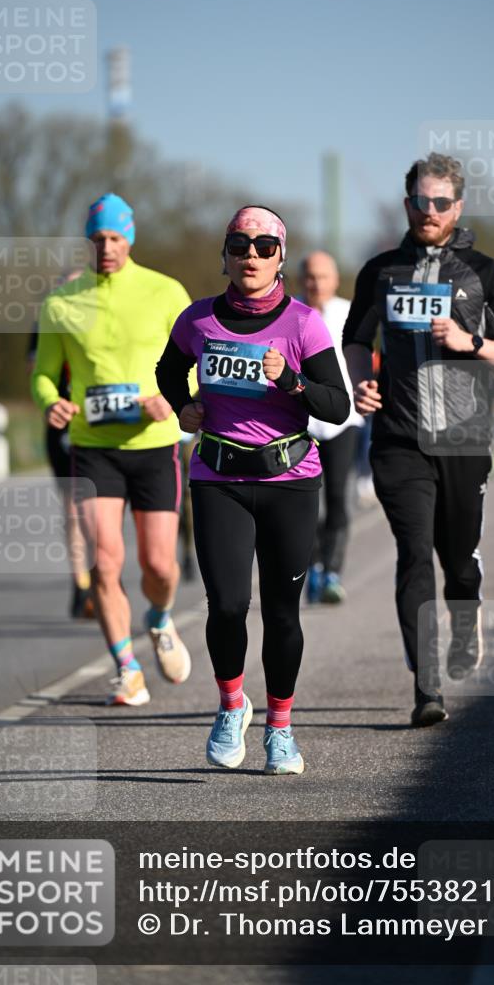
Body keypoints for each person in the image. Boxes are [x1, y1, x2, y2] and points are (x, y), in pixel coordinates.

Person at [343, 153, 494, 727]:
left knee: (459, 564)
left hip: (464, 439)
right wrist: (360, 384)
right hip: (398, 439)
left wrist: (471, 343)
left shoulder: (485, 272)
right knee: (412, 555)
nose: (430, 211)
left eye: (441, 202)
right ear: (407, 205)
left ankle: (466, 614)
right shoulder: (380, 271)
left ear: (458, 206)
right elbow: (355, 340)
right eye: (420, 202)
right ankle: (427, 689)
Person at [156, 206, 349, 773]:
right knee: (229, 606)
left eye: (265, 246)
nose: (251, 256)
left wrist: (288, 380)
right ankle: (231, 704)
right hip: (219, 480)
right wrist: (182, 408)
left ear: (280, 257)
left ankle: (282, 727)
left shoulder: (303, 323)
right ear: (225, 254)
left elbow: (335, 407)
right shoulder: (197, 320)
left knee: (284, 614)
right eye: (240, 245)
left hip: (289, 481)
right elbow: (168, 372)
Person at [32, 193, 192, 706]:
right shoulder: (62, 302)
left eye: (115, 238)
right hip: (93, 447)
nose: (106, 247)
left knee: (160, 567)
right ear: (88, 241)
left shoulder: (166, 292)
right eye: (97, 239)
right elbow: (42, 374)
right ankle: (127, 668)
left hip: (153, 445)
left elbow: (194, 361)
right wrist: (51, 402)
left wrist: (171, 399)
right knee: (104, 563)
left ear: (131, 238)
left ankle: (160, 619)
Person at [27, 268, 95, 620]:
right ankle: (81, 583)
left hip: (103, 422)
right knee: (73, 506)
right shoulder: (48, 318)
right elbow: (37, 371)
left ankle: (102, 573)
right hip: (64, 423)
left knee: (101, 507)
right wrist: (53, 402)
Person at [299, 251, 364, 604]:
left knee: (339, 497)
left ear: (335, 280)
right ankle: (313, 568)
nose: (316, 283)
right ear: (299, 280)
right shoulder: (289, 313)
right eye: (309, 276)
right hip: (301, 422)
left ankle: (333, 571)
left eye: (322, 276)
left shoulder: (350, 313)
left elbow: (366, 361)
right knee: (307, 501)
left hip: (344, 421)